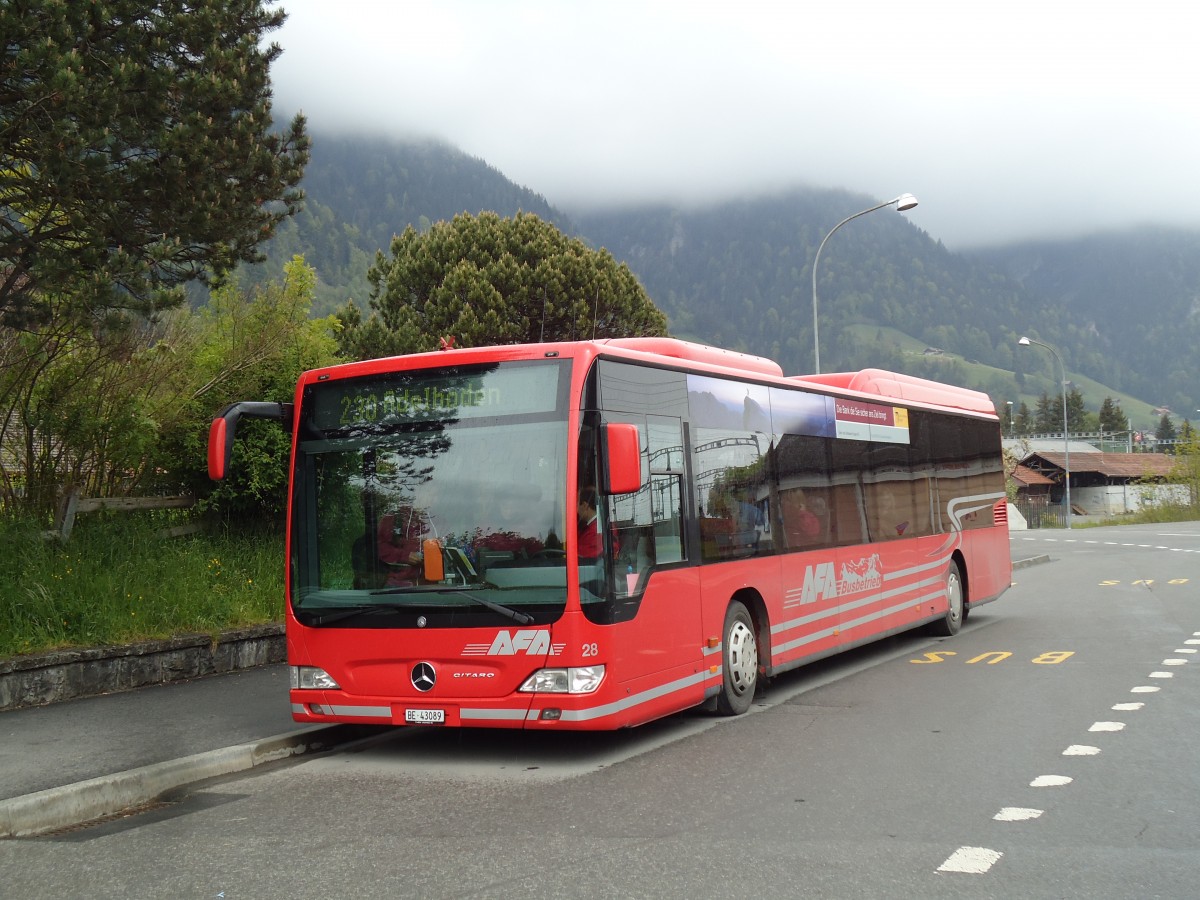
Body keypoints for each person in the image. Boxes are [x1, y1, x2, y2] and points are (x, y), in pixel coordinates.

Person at [577, 485, 604, 558]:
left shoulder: (596, 530)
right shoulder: (596, 526)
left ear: (585, 506)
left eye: (576, 505)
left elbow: (584, 557)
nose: (576, 511)